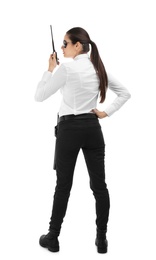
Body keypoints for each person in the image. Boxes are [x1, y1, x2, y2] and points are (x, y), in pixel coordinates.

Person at [34, 27, 131, 254]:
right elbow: (125, 93)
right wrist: (106, 112)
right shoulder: (98, 68)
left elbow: (39, 96)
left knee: (63, 186)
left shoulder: (65, 69)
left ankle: (53, 237)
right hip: (92, 128)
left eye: (65, 43)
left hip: (69, 130)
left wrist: (49, 71)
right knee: (100, 186)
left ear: (78, 45)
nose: (62, 48)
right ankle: (101, 239)